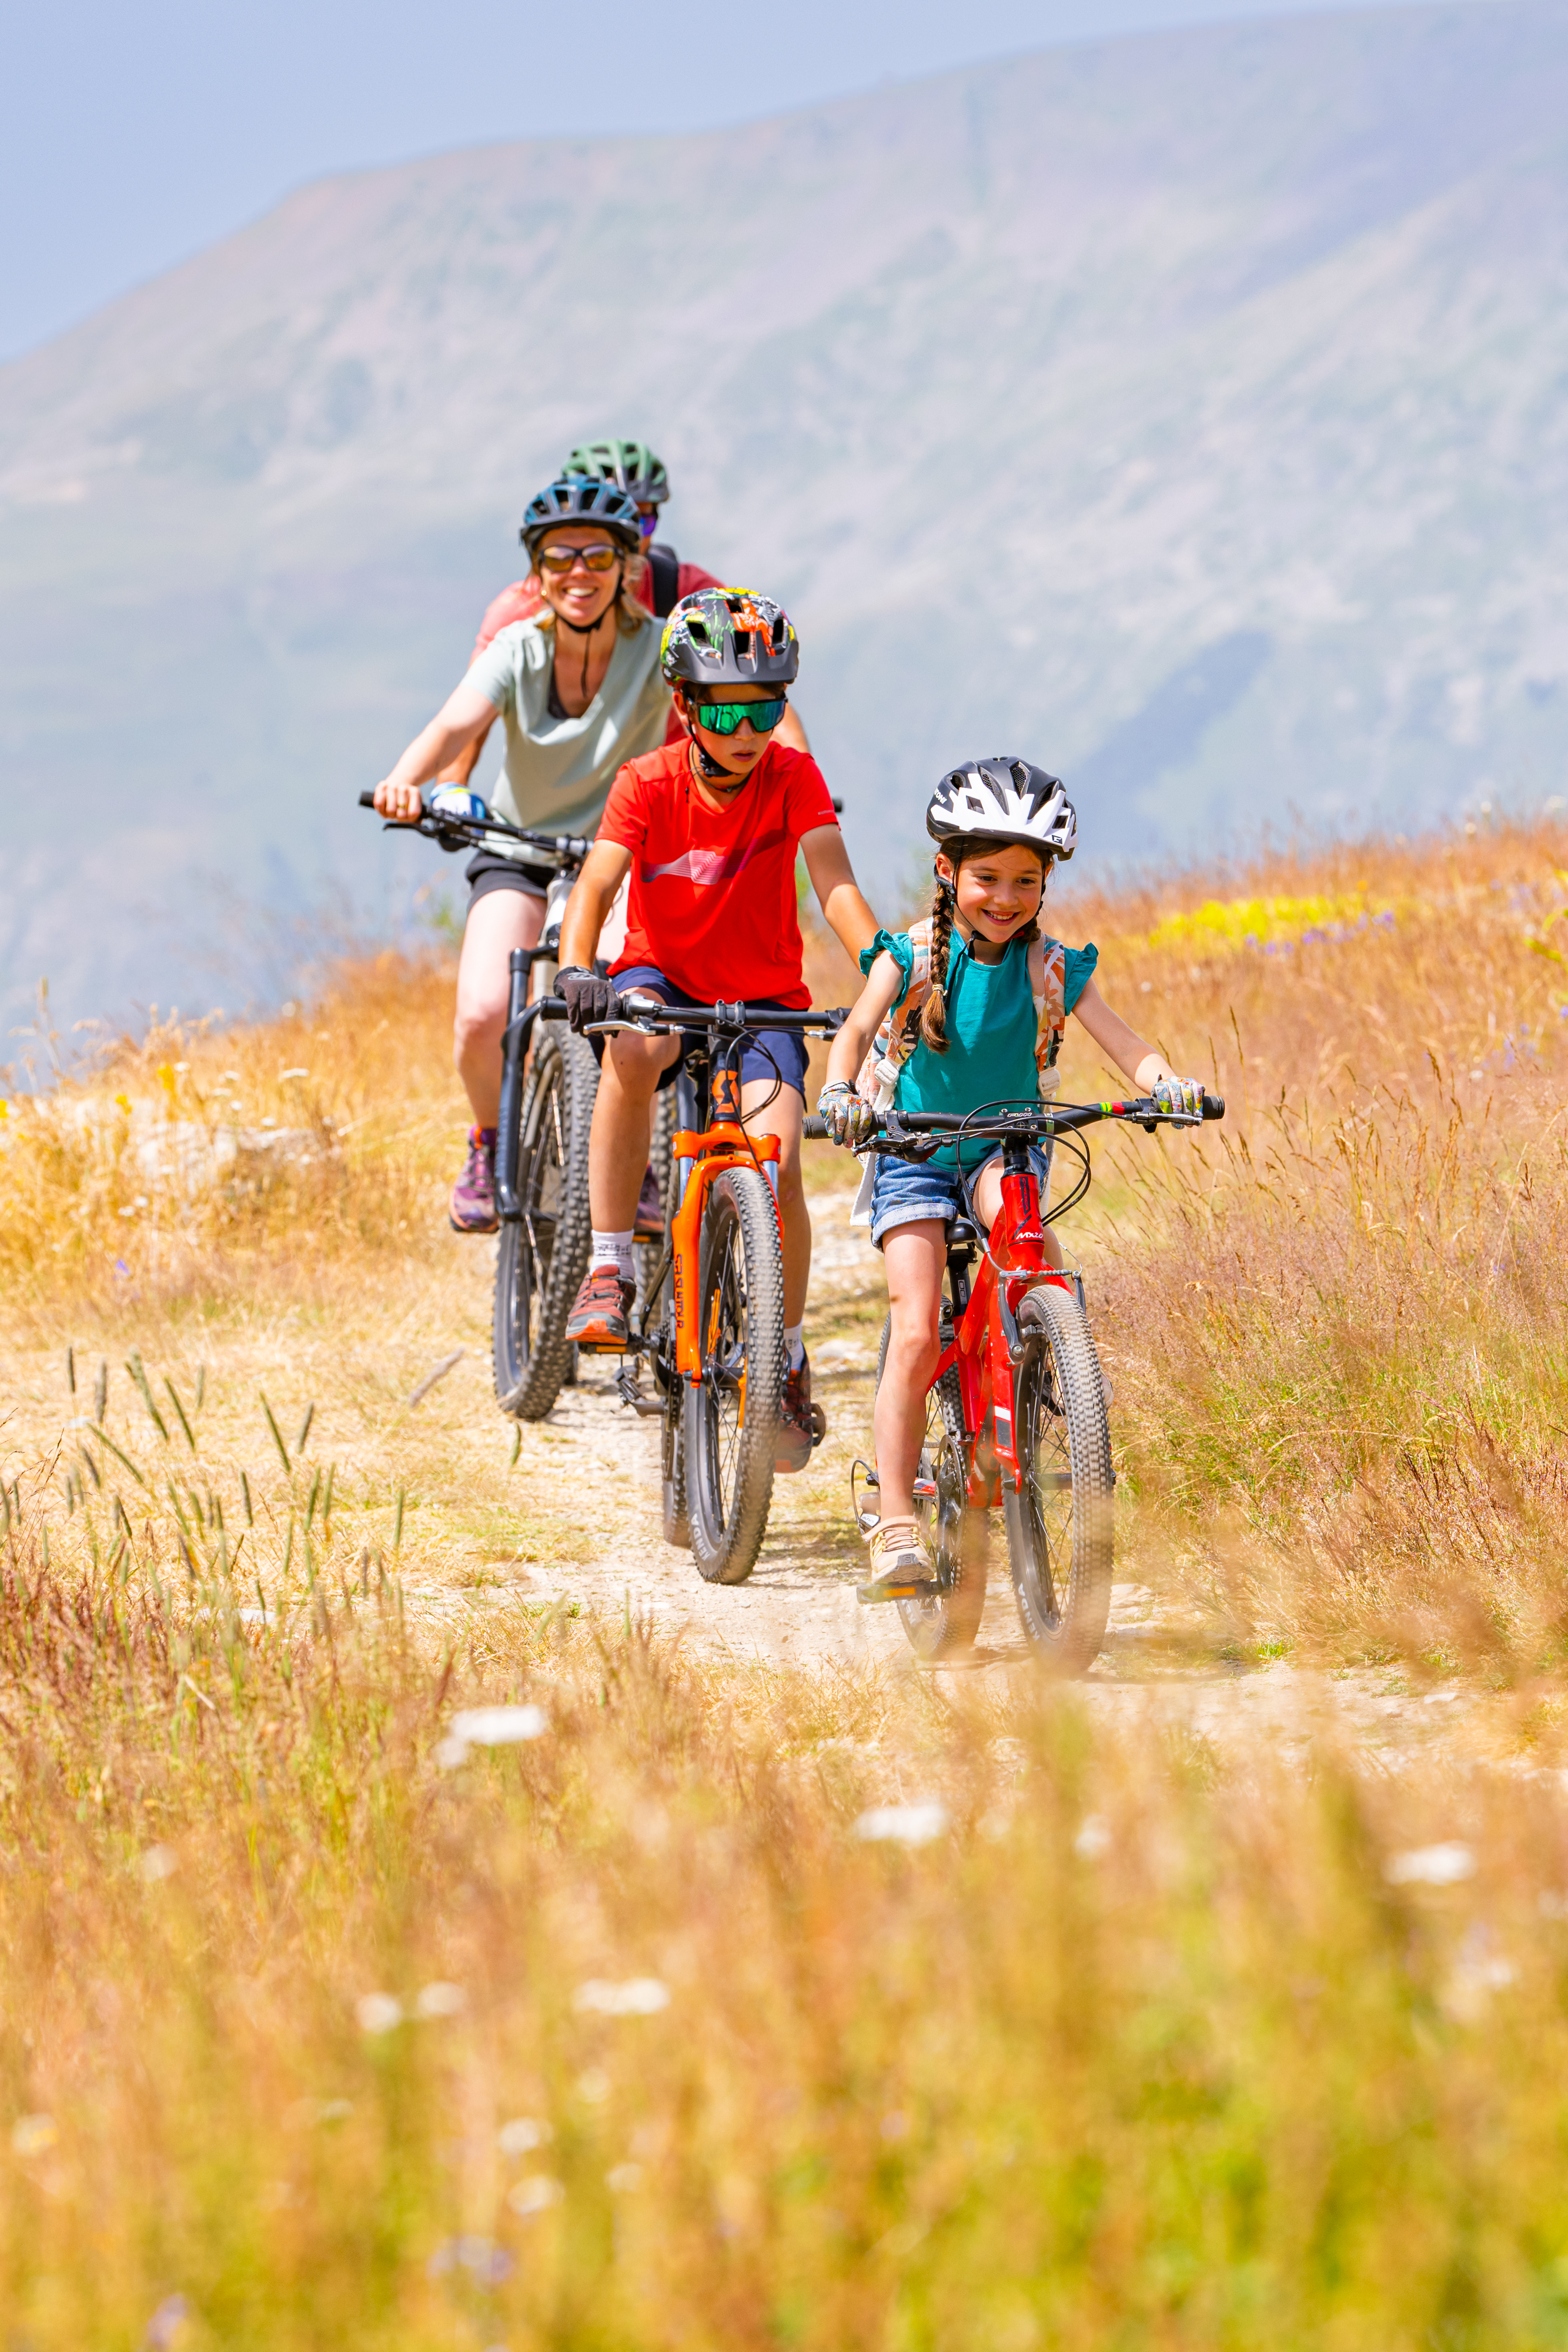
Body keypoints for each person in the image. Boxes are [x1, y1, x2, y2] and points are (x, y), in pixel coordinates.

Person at [817, 757, 1206, 1601]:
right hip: (914, 1148)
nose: (1003, 897)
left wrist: (1164, 1083)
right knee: (916, 1328)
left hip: (1005, 1145)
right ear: (945, 871)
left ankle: (1035, 1375)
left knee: (1031, 1255)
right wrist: (841, 1093)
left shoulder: (1052, 967)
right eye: (985, 878)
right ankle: (891, 1516)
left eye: (1024, 881)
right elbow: (850, 1034)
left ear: (1045, 883)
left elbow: (1122, 1041)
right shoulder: (914, 954)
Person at [551, 588, 881, 1470]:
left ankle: (786, 1350)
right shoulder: (645, 783)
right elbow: (593, 889)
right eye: (730, 710)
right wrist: (579, 967)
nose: (748, 729)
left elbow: (834, 884)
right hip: (658, 977)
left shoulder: (791, 778)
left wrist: (882, 966)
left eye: (767, 707)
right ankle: (611, 1263)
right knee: (636, 1046)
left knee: (777, 1165)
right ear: (686, 708)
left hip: (762, 996)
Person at [372, 476, 671, 1232]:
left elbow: (736, 707)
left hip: (615, 854)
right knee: (480, 1015)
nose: (579, 572)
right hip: (520, 846)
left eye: (599, 556)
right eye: (560, 556)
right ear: (536, 572)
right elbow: (452, 726)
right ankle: (491, 1140)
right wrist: (405, 783)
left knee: (622, 998)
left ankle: (627, 1162)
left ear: (628, 566)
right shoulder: (518, 647)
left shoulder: (661, 647)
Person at [435, 437, 811, 779]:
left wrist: (802, 781)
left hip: (673, 793)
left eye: (644, 520)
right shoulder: (519, 613)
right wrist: (451, 787)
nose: (635, 533)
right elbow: (473, 714)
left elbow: (758, 685)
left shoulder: (690, 596)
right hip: (556, 799)